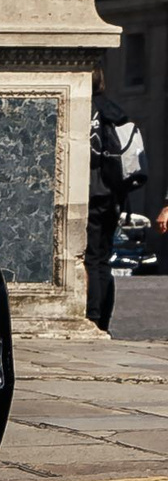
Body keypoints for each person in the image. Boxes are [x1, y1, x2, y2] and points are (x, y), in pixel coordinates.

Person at [89, 87, 146, 329]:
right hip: (113, 194)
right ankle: (103, 317)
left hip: (91, 192)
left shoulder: (88, 109)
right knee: (103, 258)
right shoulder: (114, 110)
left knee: (89, 258)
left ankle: (91, 314)